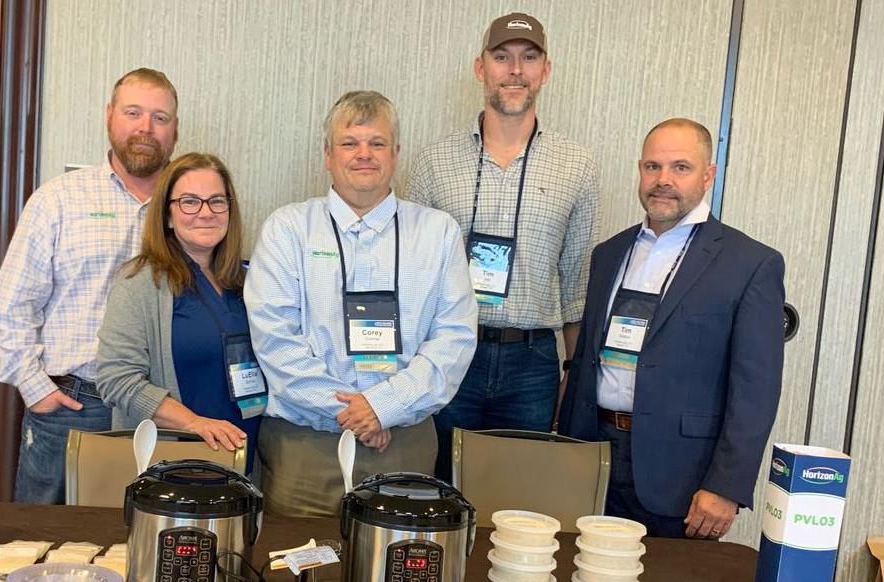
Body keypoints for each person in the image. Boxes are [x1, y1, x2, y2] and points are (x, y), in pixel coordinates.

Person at [246, 90, 478, 516]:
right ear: (327, 155)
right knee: (299, 567)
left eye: (377, 143)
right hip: (305, 448)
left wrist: (383, 407)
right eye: (349, 143)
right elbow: (274, 338)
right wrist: (357, 413)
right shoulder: (288, 229)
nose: (363, 154)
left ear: (396, 153)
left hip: (403, 443)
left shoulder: (438, 232)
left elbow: (454, 340)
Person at [558, 118, 785, 539]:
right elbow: (589, 359)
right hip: (593, 459)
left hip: (680, 475)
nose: (663, 181)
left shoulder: (750, 264)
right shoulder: (609, 254)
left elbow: (756, 389)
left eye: (680, 167)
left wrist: (726, 485)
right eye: (652, 167)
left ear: (708, 175)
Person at [408, 12, 599, 479]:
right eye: (502, 57)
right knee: (439, 492)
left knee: (518, 500)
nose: (515, 70)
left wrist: (571, 371)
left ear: (545, 71)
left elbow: (576, 282)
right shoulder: (434, 161)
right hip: (449, 352)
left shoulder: (577, 166)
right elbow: (410, 278)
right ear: (481, 68)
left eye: (528, 58)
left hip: (531, 363)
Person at [0, 68, 178, 503]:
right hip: (74, 404)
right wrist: (38, 390)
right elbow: (13, 306)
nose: (145, 128)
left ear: (175, 129)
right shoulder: (59, 199)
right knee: (43, 541)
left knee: (147, 539)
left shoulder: (192, 205)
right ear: (110, 116)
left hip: (161, 406)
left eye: (160, 117)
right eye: (133, 112)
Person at [97, 153, 259, 466]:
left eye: (216, 201)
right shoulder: (140, 282)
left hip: (245, 455)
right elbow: (116, 379)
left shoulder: (248, 280)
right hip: (174, 460)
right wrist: (193, 424)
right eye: (189, 201)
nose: (205, 212)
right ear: (167, 215)